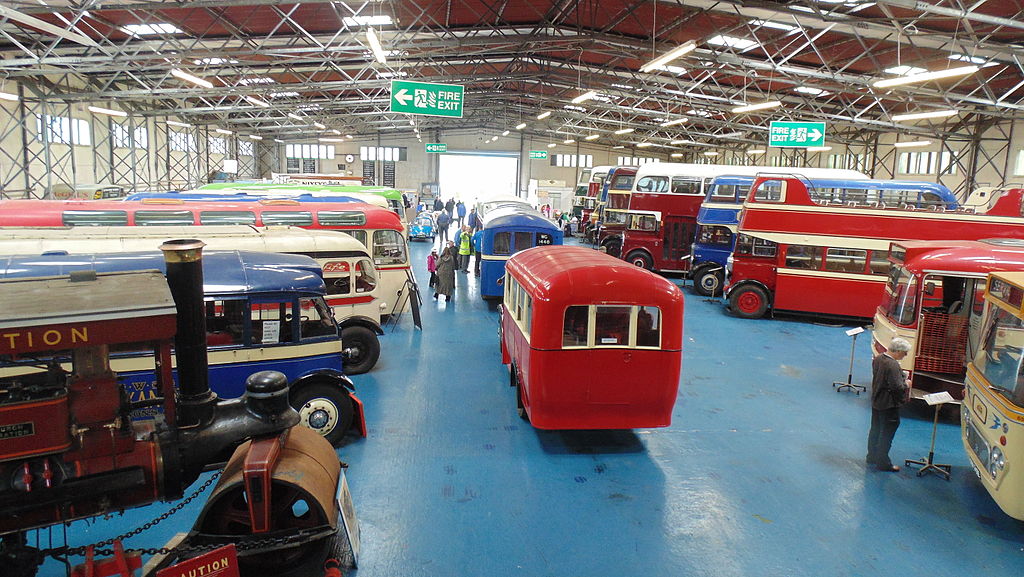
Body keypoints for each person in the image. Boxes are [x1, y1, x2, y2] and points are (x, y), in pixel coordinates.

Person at [867, 337, 912, 472]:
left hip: (877, 401)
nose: (905, 355)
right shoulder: (893, 365)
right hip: (888, 405)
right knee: (886, 434)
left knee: (875, 430)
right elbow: (897, 387)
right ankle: (883, 463)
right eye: (904, 353)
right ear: (898, 351)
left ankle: (872, 456)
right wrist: (906, 384)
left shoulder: (879, 359)